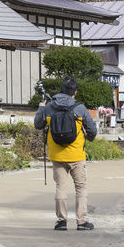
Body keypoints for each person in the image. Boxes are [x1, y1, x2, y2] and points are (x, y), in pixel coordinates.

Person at [34, 76, 97, 231]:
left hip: (57, 156)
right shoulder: (80, 108)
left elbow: (38, 125)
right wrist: (87, 138)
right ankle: (81, 222)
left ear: (61, 90)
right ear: (74, 92)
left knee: (60, 187)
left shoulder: (49, 107)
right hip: (77, 155)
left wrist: (41, 107)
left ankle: (62, 221)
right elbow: (92, 131)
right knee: (80, 188)